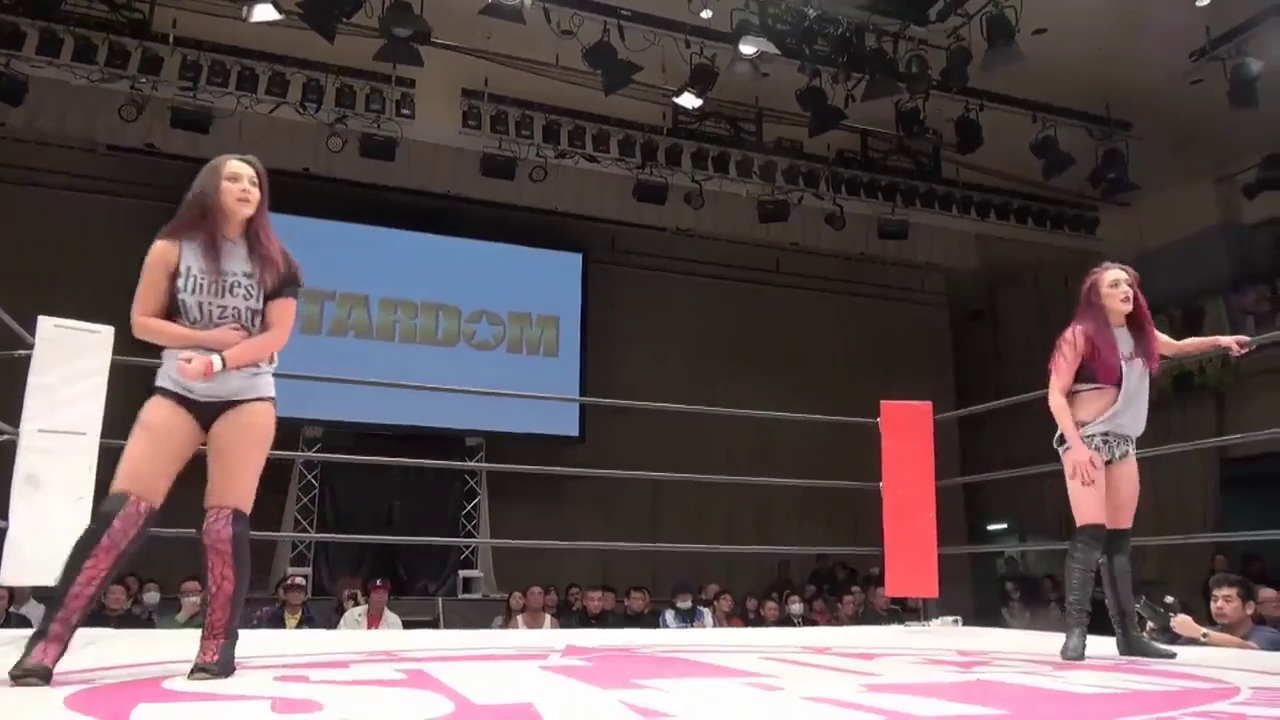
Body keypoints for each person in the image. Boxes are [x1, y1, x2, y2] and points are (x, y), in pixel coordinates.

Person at [8, 154, 301, 687]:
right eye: (234, 178)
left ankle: (217, 645)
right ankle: (47, 643)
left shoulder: (275, 260)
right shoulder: (173, 248)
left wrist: (218, 361)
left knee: (223, 522)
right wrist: (205, 340)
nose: (246, 188)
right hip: (178, 389)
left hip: (246, 395)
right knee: (121, 514)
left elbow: (276, 337)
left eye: (254, 182)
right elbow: (143, 322)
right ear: (210, 187)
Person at [1046, 261, 1250, 662]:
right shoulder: (1080, 334)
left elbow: (1179, 347)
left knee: (1118, 541)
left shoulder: (1141, 334)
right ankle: (1076, 633)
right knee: (1090, 534)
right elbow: (1056, 393)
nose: (1126, 289)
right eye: (1115, 284)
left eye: (1128, 283)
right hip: (1086, 438)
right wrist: (1076, 446)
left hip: (1123, 442)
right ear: (1097, 296)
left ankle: (1129, 636)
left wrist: (1223, 340)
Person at [1150, 574, 1280, 651]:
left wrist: (1199, 632)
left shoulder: (1268, 635)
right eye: (1214, 600)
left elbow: (1250, 649)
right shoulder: (1205, 632)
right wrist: (1156, 632)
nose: (1218, 605)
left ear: (1249, 607)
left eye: (1228, 600)